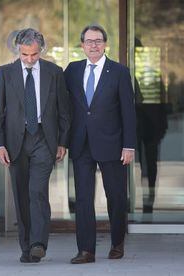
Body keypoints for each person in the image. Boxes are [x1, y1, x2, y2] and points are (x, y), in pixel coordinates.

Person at [0, 28, 71, 263]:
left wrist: (62, 142)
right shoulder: (5, 73)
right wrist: (0, 145)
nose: (29, 60)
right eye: (25, 54)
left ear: (41, 51)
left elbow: (64, 110)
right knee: (21, 194)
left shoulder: (54, 72)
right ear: (18, 50)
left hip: (43, 140)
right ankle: (25, 246)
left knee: (37, 191)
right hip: (16, 141)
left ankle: (38, 243)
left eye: (34, 55)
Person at [64, 24, 136, 264]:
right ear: (82, 45)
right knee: (83, 198)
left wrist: (129, 145)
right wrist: (62, 142)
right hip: (81, 143)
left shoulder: (119, 72)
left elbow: (128, 112)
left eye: (98, 41)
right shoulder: (72, 71)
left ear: (105, 44)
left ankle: (117, 242)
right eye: (88, 41)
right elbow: (65, 110)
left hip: (112, 144)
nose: (93, 45)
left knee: (115, 196)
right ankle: (86, 250)